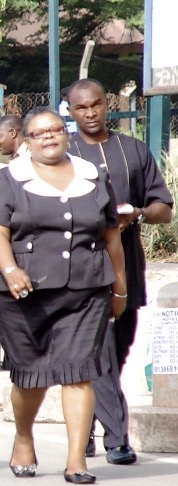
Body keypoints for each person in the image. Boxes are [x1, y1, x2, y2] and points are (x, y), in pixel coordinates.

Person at [0, 107, 127, 484]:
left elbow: (111, 237)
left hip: (86, 291)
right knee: (32, 378)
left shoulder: (93, 177)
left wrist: (119, 288)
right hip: (25, 295)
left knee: (79, 372)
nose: (49, 137)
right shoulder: (8, 179)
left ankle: (77, 459)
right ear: (26, 141)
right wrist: (10, 268)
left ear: (67, 134)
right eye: (40, 133)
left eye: (56, 130)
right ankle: (24, 437)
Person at [67, 79, 174, 465]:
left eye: (96, 104)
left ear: (107, 104)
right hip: (82, 269)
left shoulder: (133, 150)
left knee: (119, 348)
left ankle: (87, 424)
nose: (90, 113)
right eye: (82, 108)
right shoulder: (62, 153)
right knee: (100, 353)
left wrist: (139, 213)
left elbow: (163, 207)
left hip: (127, 267)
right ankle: (116, 438)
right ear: (71, 111)